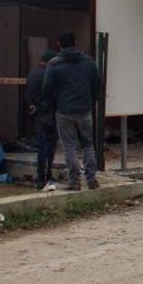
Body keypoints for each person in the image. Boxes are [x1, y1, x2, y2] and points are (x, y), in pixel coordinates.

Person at [43, 31, 102, 191]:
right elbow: (98, 84)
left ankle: (74, 181)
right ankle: (91, 179)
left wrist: (54, 105)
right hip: (84, 110)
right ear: (75, 42)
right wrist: (90, 101)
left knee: (69, 146)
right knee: (88, 145)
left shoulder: (54, 64)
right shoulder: (89, 62)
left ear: (59, 44)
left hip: (64, 110)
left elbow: (47, 88)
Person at [25, 49, 58, 191]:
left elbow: (29, 94)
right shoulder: (49, 74)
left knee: (42, 146)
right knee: (49, 147)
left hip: (38, 114)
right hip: (49, 114)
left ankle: (41, 178)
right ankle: (45, 175)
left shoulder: (33, 73)